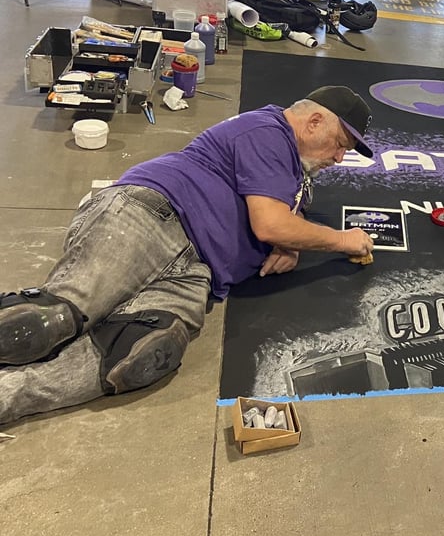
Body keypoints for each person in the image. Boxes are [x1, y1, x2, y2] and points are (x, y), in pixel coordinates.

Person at [0, 86, 377, 425]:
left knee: (134, 355)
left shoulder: (293, 167)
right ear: (313, 121)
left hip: (196, 273)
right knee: (57, 315)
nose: (340, 158)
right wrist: (341, 241)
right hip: (152, 216)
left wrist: (293, 240)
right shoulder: (267, 132)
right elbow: (270, 225)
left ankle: (9, 396)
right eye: (340, 144)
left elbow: (287, 215)